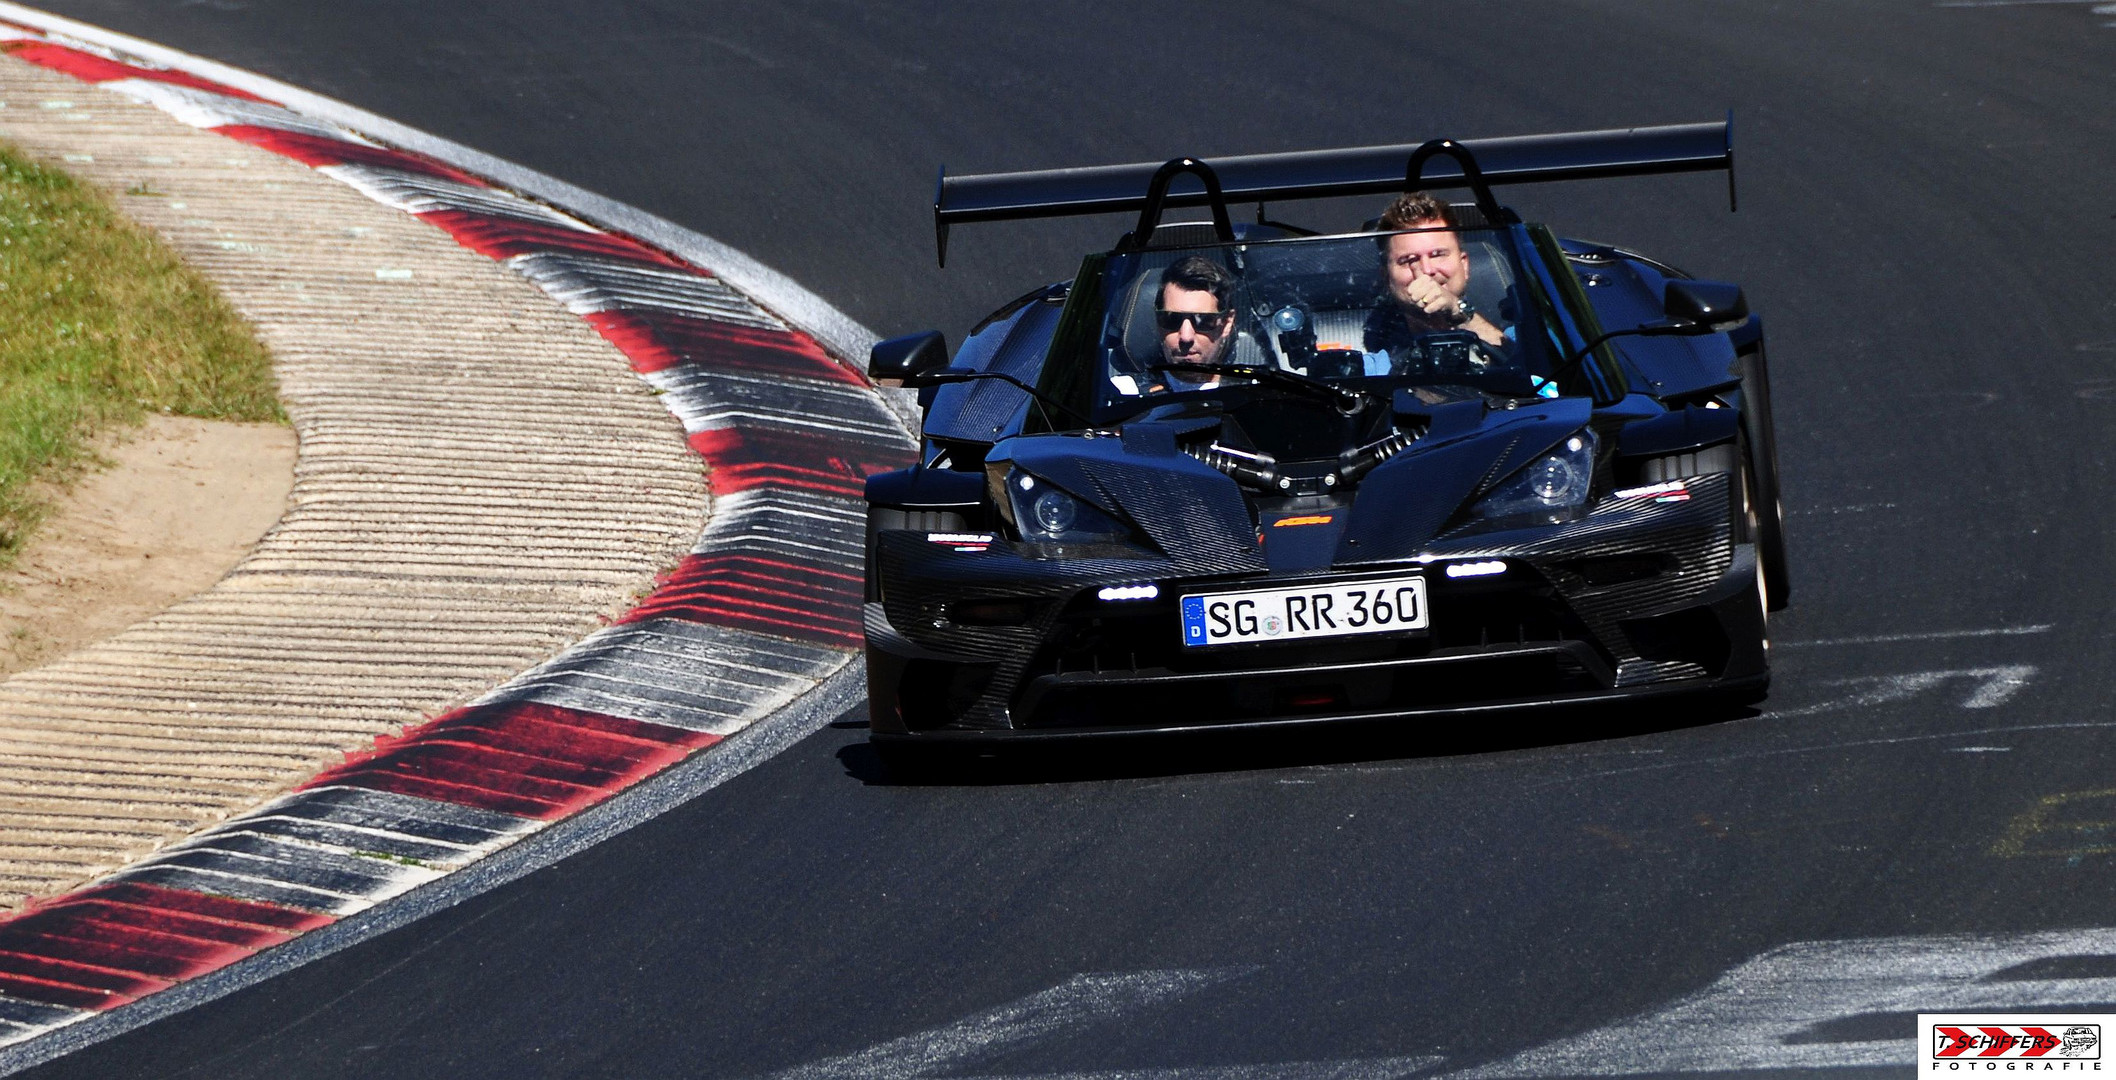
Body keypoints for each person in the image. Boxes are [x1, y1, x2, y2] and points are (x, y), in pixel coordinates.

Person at [1368, 191, 1507, 352]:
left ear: (1465, 264)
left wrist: (1458, 312)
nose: (1427, 270)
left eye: (1438, 255)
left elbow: (1531, 369)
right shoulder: (1376, 364)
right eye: (1409, 260)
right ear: (1386, 277)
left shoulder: (1520, 334)